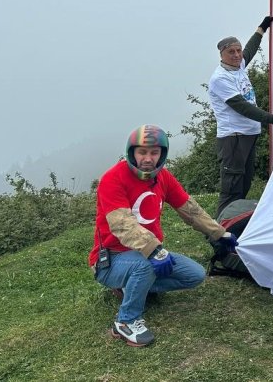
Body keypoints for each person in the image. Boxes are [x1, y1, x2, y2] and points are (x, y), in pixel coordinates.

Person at [89, 125, 240, 347]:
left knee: (195, 275)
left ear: (162, 154)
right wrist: (154, 251)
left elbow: (189, 209)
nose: (148, 159)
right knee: (147, 265)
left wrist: (219, 233)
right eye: (142, 152)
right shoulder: (112, 178)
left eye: (154, 152)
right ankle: (125, 322)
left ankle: (131, 287)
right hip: (110, 260)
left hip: (146, 253)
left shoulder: (163, 177)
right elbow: (122, 224)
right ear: (132, 152)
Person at [209, 16, 273, 216]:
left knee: (244, 184)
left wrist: (261, 29)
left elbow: (250, 50)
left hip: (248, 135)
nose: (237, 55)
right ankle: (220, 233)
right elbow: (243, 107)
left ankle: (237, 226)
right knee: (232, 189)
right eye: (231, 52)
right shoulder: (220, 79)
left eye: (238, 51)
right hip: (234, 138)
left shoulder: (239, 67)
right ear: (222, 54)